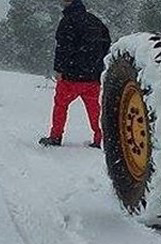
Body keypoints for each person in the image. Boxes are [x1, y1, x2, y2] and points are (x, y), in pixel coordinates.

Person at [40, 0, 111, 148]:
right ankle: (100, 139)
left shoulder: (67, 22)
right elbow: (106, 43)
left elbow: (63, 48)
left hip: (71, 77)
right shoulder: (95, 21)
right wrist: (98, 64)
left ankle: (56, 136)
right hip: (92, 77)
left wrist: (59, 69)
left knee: (61, 106)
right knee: (94, 109)